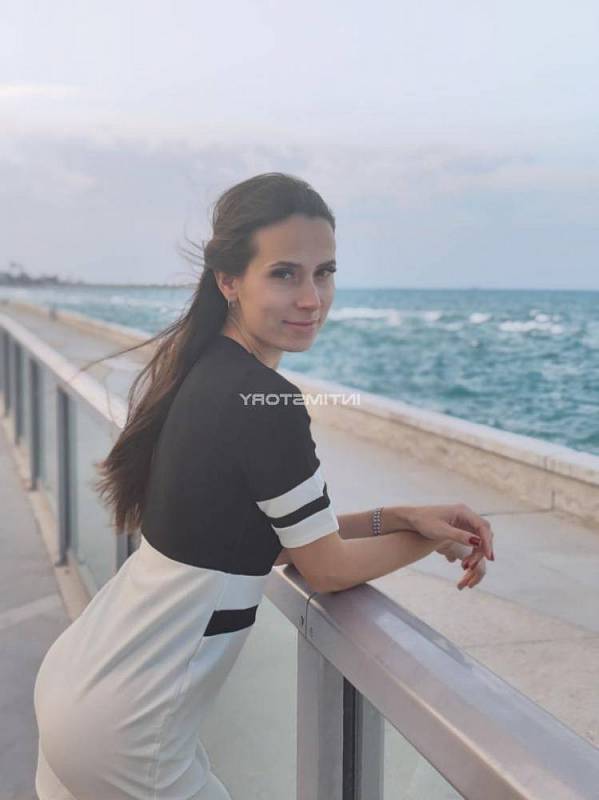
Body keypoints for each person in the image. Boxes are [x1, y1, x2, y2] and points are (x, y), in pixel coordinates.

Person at [33, 172, 494, 799]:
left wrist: (402, 517)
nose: (311, 298)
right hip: (128, 734)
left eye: (324, 272)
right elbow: (326, 569)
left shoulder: (202, 372)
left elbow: (263, 538)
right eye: (284, 274)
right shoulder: (265, 402)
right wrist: (434, 540)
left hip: (83, 683)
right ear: (229, 280)